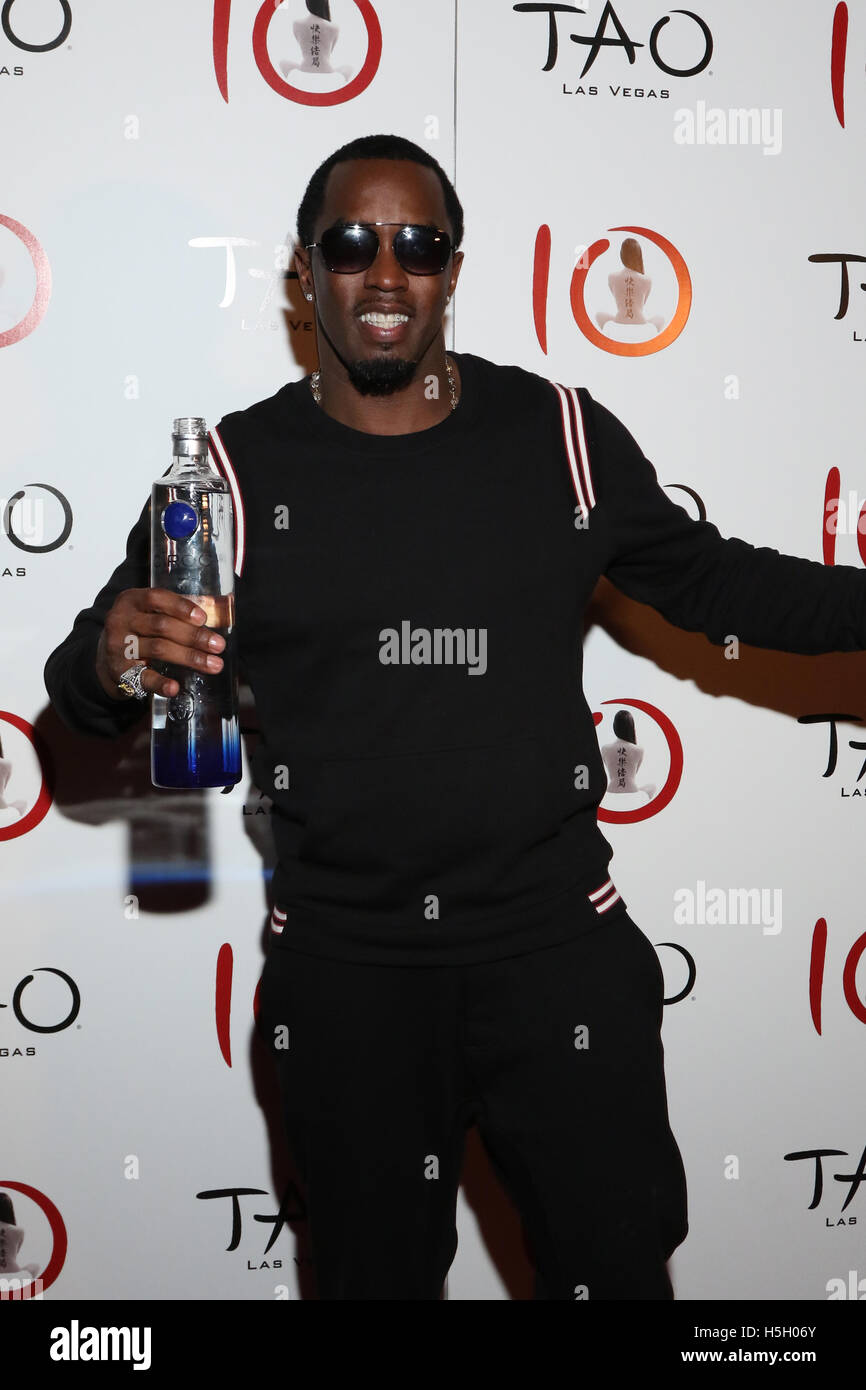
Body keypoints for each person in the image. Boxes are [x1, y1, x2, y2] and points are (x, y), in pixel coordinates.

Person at [44, 133, 866, 1301]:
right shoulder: (226, 477)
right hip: (347, 982)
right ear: (305, 271)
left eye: (416, 245)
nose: (386, 271)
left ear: (453, 269)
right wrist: (123, 653)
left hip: (559, 963)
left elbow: (722, 584)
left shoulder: (559, 436)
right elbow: (84, 681)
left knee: (617, 1279)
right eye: (352, 242)